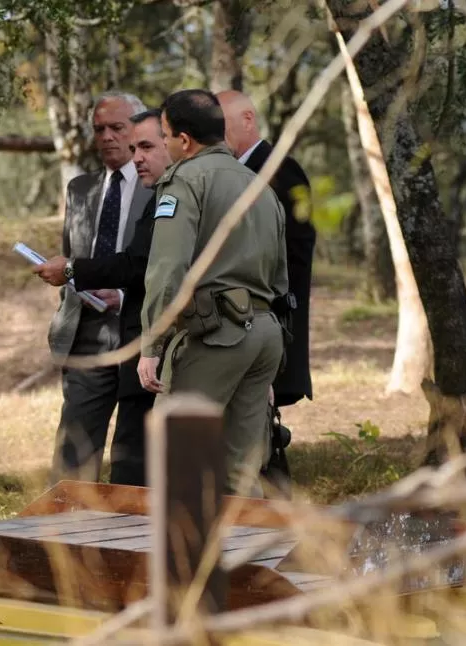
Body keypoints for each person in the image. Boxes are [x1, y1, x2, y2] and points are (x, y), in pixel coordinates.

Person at [136, 89, 289, 497]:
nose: (166, 145)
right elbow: (280, 279)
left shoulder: (185, 180)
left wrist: (152, 344)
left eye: (164, 136)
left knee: (177, 457)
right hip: (264, 335)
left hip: (215, 335)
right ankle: (247, 558)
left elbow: (168, 268)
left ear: (184, 140)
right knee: (241, 471)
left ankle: (184, 559)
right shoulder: (261, 187)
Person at [33, 108, 172, 486]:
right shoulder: (80, 188)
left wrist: (124, 298)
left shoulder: (163, 186)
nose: (108, 136)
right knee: (75, 444)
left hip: (141, 330)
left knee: (134, 447)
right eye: (99, 129)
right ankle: (66, 531)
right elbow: (71, 253)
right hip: (87, 330)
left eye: (118, 128)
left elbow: (148, 264)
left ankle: (128, 529)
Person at [217, 89, 315, 497]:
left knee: (261, 444)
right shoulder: (236, 171)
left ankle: (280, 533)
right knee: (251, 439)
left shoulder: (278, 171)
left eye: (219, 125)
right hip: (244, 326)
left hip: (270, 327)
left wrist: (274, 349)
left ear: (247, 120)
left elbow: (288, 265)